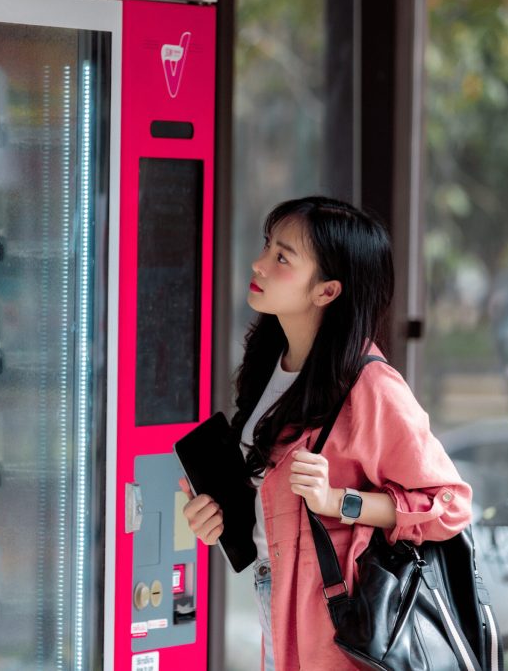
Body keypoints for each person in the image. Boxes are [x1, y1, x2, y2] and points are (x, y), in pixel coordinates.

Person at [179, 197, 472, 671]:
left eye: (282, 257)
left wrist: (341, 501)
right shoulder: (272, 363)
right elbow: (269, 493)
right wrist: (215, 519)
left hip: (345, 630)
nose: (259, 264)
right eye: (266, 247)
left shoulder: (371, 387)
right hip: (278, 601)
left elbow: (450, 504)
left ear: (327, 291)